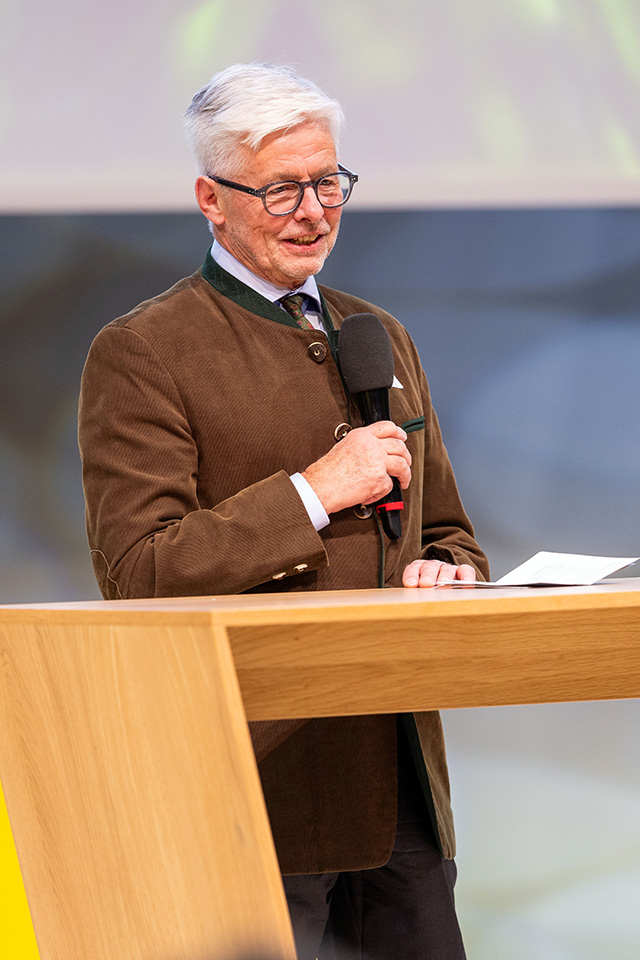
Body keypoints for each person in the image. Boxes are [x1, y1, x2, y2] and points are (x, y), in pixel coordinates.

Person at [78, 62, 489, 960]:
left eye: (328, 182)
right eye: (280, 189)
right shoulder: (143, 351)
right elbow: (140, 572)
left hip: (401, 787)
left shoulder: (378, 334)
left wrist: (449, 570)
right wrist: (314, 492)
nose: (313, 211)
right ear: (211, 200)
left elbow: (450, 532)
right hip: (255, 784)